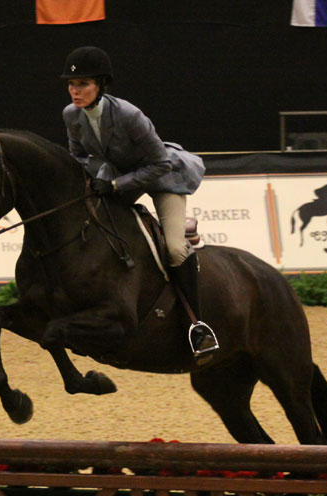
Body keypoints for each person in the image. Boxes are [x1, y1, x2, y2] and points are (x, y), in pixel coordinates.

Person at [60, 46, 218, 363]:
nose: (76, 91)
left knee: (173, 249)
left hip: (162, 177)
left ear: (101, 85)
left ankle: (197, 326)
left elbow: (158, 164)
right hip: (119, 174)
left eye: (84, 84)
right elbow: (78, 157)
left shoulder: (129, 115)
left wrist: (115, 185)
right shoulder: (71, 115)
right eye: (72, 85)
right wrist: (93, 182)